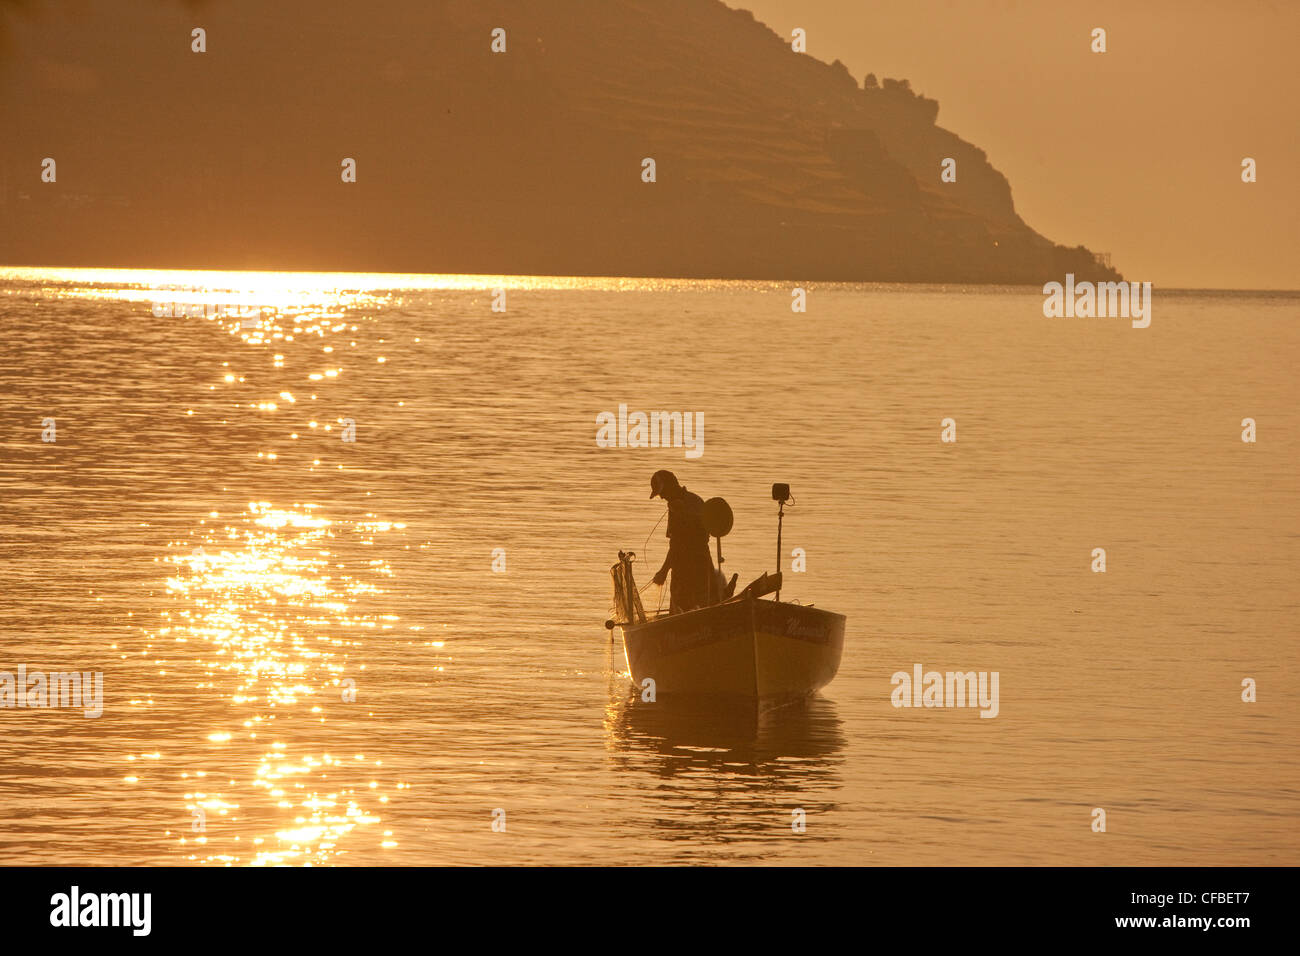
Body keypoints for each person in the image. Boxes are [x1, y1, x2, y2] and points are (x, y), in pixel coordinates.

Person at [648, 470, 714, 613]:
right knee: (705, 607)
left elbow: (677, 545)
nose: (662, 497)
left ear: (670, 486)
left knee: (682, 612)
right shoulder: (696, 500)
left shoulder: (678, 508)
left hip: (686, 574)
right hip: (703, 567)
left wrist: (663, 571)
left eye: (662, 493)